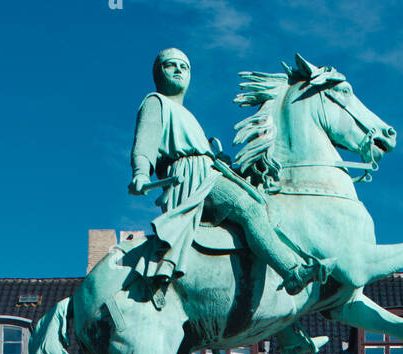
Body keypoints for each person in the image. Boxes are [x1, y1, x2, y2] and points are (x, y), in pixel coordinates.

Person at [130, 49, 334, 307]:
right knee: (250, 208)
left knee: (263, 199)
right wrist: (140, 173)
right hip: (192, 178)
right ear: (159, 72)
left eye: (185, 66)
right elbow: (144, 143)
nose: (179, 70)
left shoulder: (188, 115)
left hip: (209, 170)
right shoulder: (156, 102)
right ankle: (292, 272)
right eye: (171, 65)